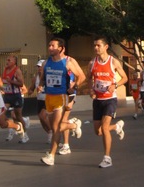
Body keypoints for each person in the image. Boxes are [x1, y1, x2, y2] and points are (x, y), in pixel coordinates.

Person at [41, 38, 85, 166]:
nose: (50, 48)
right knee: (55, 127)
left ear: (60, 48)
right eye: (49, 45)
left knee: (56, 128)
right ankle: (73, 125)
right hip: (49, 97)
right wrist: (40, 85)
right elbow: (42, 78)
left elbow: (81, 76)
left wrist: (74, 87)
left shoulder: (68, 62)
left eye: (53, 46)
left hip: (61, 97)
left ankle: (51, 156)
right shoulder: (46, 62)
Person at [87, 37, 128, 168]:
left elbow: (125, 78)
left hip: (110, 100)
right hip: (98, 100)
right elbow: (89, 78)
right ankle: (116, 127)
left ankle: (107, 158)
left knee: (104, 128)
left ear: (106, 47)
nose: (95, 48)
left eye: (98, 45)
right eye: (94, 45)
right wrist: (91, 90)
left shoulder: (113, 62)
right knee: (98, 131)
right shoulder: (92, 63)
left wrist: (115, 85)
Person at [2, 55, 29, 144]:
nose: (7, 61)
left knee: (18, 116)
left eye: (9, 60)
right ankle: (14, 126)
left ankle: (24, 134)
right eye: (7, 60)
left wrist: (11, 81)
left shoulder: (17, 71)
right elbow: (4, 82)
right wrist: (2, 87)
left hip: (16, 96)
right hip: (7, 96)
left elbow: (21, 83)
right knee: (1, 113)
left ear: (14, 62)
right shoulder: (5, 70)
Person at [27, 59, 52, 142]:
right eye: (37, 67)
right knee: (41, 120)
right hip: (40, 99)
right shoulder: (35, 78)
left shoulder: (49, 76)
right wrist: (30, 91)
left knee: (42, 116)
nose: (39, 68)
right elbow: (31, 89)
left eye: (40, 66)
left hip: (47, 99)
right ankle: (49, 133)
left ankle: (52, 132)